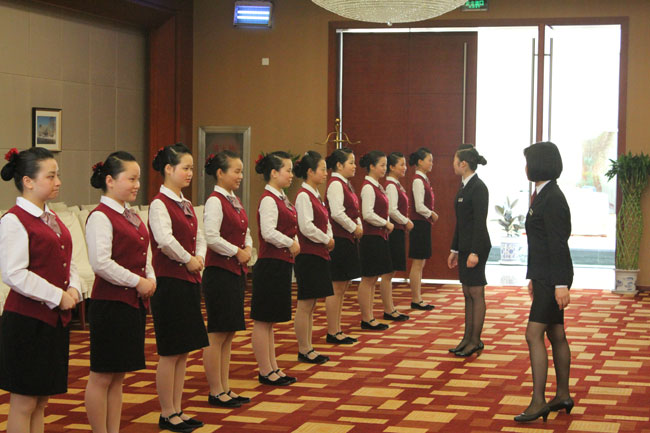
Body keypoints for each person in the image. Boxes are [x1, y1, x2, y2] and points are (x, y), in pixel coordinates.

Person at [0, 147, 82, 433]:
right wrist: (58, 296)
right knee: (24, 402)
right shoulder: (13, 220)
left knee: (41, 401)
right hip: (27, 322)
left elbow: (67, 259)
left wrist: (74, 287)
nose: (58, 182)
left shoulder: (51, 216)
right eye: (50, 176)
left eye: (57, 175)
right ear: (28, 181)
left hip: (53, 320)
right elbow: (14, 273)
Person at [85, 152, 156, 433]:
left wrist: (150, 277)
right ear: (110, 181)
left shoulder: (131, 214)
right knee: (102, 376)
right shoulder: (101, 217)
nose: (137, 185)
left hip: (132, 303)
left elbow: (145, 253)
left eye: (138, 179)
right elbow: (101, 263)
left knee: (118, 377)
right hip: (110, 304)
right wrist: (137, 282)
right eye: (131, 179)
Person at [148, 143, 209, 431]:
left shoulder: (184, 202)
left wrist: (199, 257)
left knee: (183, 351)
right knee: (171, 351)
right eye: (185, 168)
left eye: (191, 168)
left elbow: (199, 236)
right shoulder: (160, 203)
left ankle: (178, 408)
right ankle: (167, 412)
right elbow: (164, 240)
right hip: (170, 282)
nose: (190, 173)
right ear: (168, 169)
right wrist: (188, 259)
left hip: (189, 280)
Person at [515, 141, 574, 423]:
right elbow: (538, 242)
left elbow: (558, 243)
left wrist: (560, 283)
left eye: (528, 162)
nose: (526, 167)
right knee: (556, 333)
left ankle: (538, 401)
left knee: (533, 334)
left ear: (539, 164)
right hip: (543, 275)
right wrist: (533, 277)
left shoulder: (553, 198)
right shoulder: (542, 194)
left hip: (553, 277)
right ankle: (562, 395)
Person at [202, 151, 253, 407]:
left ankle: (225, 387)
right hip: (219, 273)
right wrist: (237, 252)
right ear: (220, 173)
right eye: (236, 171)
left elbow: (245, 230)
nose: (240, 176)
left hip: (235, 271)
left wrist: (248, 247)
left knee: (229, 333)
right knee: (218, 333)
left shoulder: (233, 199)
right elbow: (211, 237)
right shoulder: (215, 201)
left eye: (241, 171)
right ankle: (215, 390)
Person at [251, 151, 299, 386]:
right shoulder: (269, 199)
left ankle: (273, 367)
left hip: (281, 262)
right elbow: (268, 232)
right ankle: (265, 370)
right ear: (273, 173)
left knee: (270, 321)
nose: (291, 175)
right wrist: (290, 243)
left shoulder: (281, 197)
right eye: (287, 170)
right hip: (270, 263)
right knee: (263, 320)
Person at [447, 144, 491, 358]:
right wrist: (454, 249)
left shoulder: (479, 187)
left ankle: (475, 340)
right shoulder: (464, 186)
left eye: (455, 161)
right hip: (465, 246)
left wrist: (474, 252)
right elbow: (461, 222)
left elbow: (479, 223)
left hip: (477, 246)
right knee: (467, 292)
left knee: (475, 292)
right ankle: (467, 338)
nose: (453, 164)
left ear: (463, 164)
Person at [293, 151, 334, 364]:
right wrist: (326, 239)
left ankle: (309, 347)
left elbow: (324, 220)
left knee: (312, 304)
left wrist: (329, 237)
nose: (326, 173)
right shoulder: (303, 196)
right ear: (310, 171)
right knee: (305, 303)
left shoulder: (315, 194)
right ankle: (304, 348)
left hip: (318, 253)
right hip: (308, 255)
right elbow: (306, 227)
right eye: (322, 169)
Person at [324, 147, 361, 344]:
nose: (354, 166)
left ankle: (338, 329)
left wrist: (357, 226)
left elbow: (354, 211)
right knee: (336, 287)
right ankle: (332, 331)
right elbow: (337, 213)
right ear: (339, 165)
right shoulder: (335, 184)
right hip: (339, 239)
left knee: (343, 286)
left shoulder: (345, 184)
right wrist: (354, 227)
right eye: (351, 162)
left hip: (348, 238)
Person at [357, 150, 393, 331]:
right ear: (371, 166)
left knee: (373, 278)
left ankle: (370, 316)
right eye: (382, 165)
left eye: (386, 165)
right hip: (371, 237)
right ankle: (366, 318)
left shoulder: (377, 186)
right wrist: (385, 223)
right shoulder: (368, 187)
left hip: (379, 236)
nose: (384, 169)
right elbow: (367, 214)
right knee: (368, 278)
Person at [379, 152, 413, 321]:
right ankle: (388, 309)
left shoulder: (396, 184)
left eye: (405, 164)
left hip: (398, 230)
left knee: (391, 272)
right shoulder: (391, 186)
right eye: (401, 164)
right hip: (393, 231)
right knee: (388, 273)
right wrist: (405, 221)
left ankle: (391, 307)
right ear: (391, 167)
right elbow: (392, 210)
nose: (404, 168)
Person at [408, 147, 438, 310]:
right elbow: (419, 206)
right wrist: (431, 213)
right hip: (419, 223)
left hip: (423, 223)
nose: (432, 163)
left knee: (421, 262)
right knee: (418, 262)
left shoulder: (424, 179)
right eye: (429, 160)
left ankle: (418, 297)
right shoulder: (418, 181)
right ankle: (415, 298)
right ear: (420, 162)